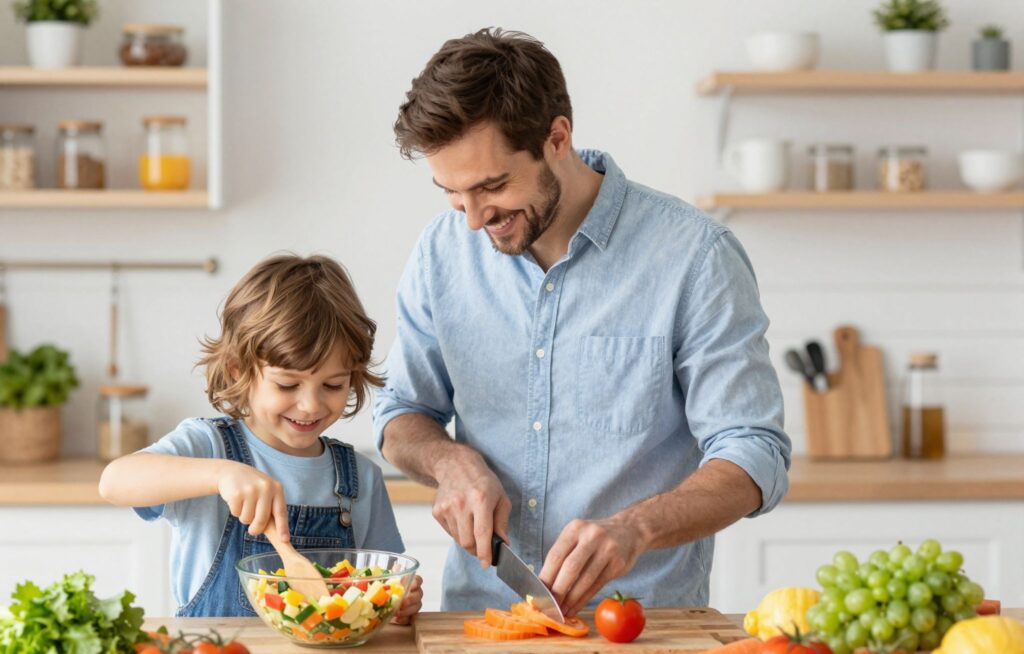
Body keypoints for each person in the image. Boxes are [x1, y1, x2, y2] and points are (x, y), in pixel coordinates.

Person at [374, 28, 791, 616]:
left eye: (492, 186)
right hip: (480, 622)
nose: (471, 220)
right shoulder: (442, 252)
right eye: (452, 194)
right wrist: (450, 462)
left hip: (643, 625)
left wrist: (635, 528)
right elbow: (401, 413)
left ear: (557, 138)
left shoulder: (694, 256)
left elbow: (753, 452)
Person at [100, 253, 423, 621]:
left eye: (333, 385)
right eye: (288, 384)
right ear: (240, 369)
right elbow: (114, 481)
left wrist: (398, 602)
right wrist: (221, 474)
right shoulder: (207, 447)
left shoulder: (360, 478)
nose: (309, 405)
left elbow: (382, 586)